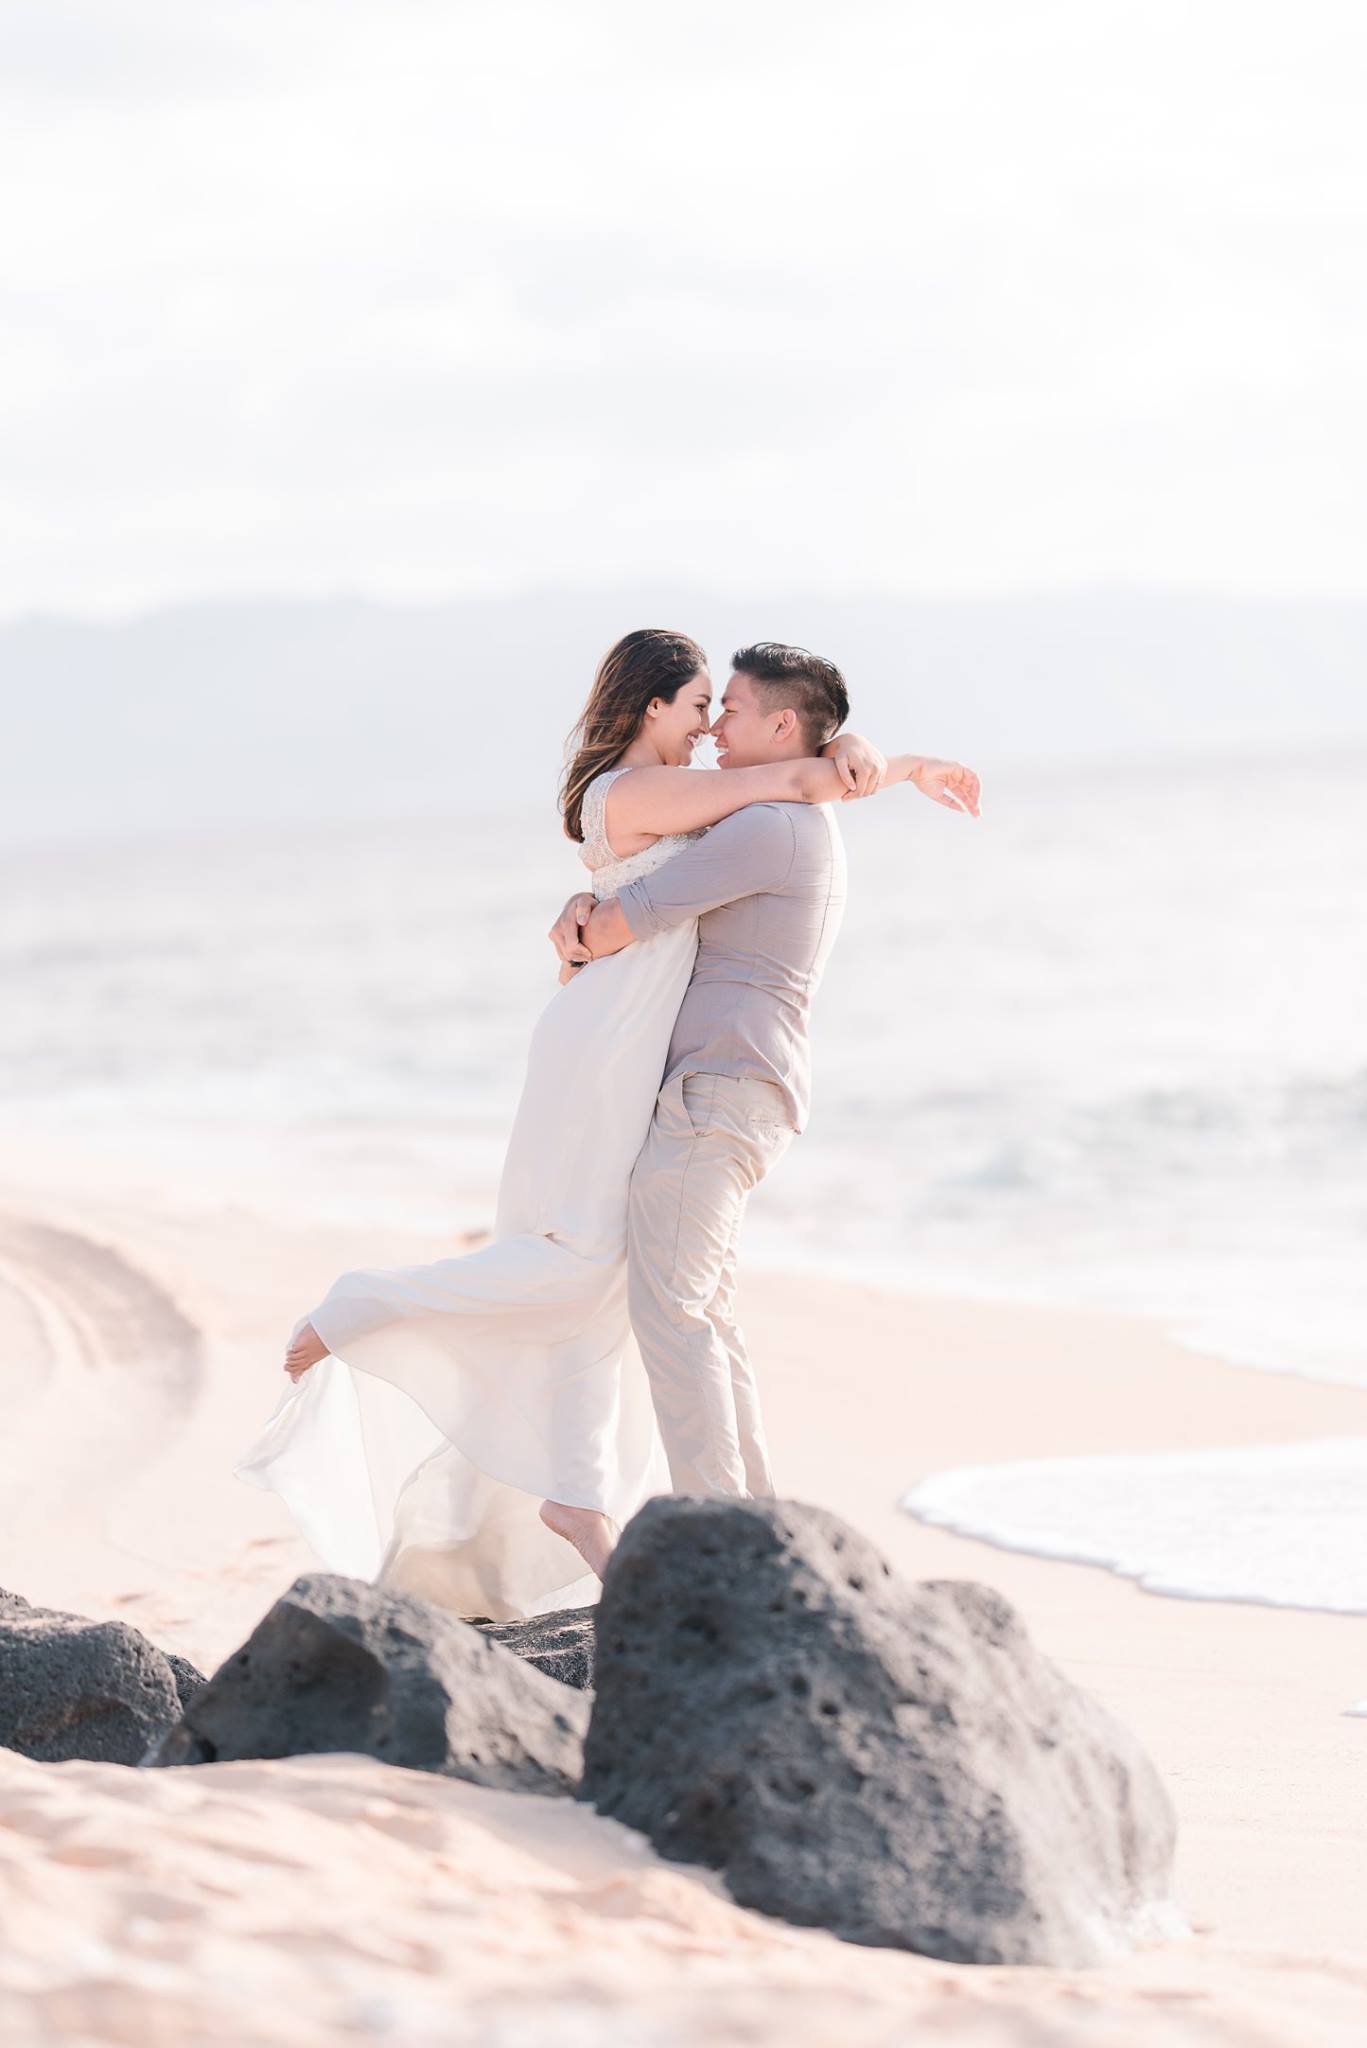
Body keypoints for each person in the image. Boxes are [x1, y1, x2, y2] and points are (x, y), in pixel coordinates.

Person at [235, 629, 978, 1620]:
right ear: (649, 708)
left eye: (728, 705)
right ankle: (712, 1523)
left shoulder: (769, 817)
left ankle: (692, 1520)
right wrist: (872, 761)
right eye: (700, 703)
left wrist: (588, 921)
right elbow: (776, 794)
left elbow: (659, 891)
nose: (713, 723)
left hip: (685, 1070)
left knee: (646, 1293)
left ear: (784, 723)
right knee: (643, 1288)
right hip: (635, 1051)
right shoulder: (701, 799)